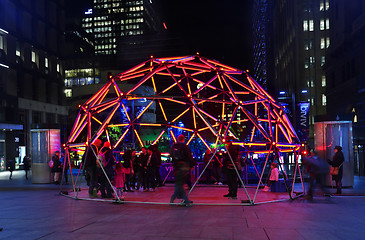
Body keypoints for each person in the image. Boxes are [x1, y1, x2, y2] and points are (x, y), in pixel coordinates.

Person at [170, 134, 193, 207]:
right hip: (184, 166)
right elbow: (189, 156)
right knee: (179, 184)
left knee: (179, 183)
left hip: (176, 166)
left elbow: (171, 156)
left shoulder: (174, 147)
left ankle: (183, 199)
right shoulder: (184, 147)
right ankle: (184, 200)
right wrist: (191, 165)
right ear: (183, 139)